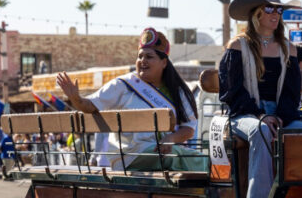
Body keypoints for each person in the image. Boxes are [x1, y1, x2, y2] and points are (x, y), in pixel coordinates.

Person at [218, 0, 302, 198]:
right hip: (243, 116)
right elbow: (231, 93)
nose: (276, 14)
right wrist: (262, 115)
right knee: (261, 130)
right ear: (257, 13)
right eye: (270, 8)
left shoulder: (288, 49)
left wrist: (279, 116)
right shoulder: (237, 46)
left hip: (282, 115)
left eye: (279, 10)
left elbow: (291, 95)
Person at [57, 28, 202, 171]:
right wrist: (76, 98)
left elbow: (188, 128)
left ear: (164, 63)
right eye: (140, 56)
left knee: (200, 159)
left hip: (161, 153)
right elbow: (90, 105)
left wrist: (170, 139)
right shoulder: (124, 85)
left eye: (149, 57)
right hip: (129, 155)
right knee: (190, 159)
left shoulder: (177, 91)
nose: (142, 61)